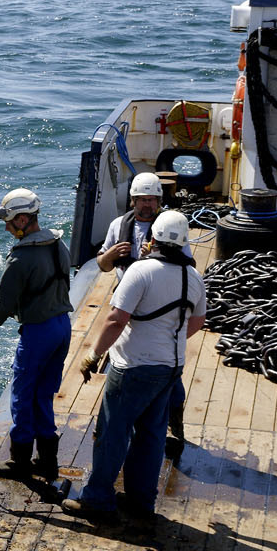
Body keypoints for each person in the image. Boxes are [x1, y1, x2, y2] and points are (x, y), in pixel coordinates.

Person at [62, 210, 206, 526]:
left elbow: (116, 319)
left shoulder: (140, 272)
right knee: (152, 436)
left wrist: (93, 354)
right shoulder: (193, 277)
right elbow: (196, 322)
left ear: (153, 238)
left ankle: (98, 500)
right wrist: (167, 338)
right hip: (170, 368)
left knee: (113, 433)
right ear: (183, 244)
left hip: (132, 367)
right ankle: (142, 501)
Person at [0, 188, 73, 483]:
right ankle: (47, 463)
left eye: (8, 221)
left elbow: (3, 308)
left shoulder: (20, 259)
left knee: (21, 396)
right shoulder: (58, 245)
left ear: (21, 219)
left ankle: (19, 462)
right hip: (62, 326)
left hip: (39, 333)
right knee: (43, 394)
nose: (6, 227)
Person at [98, 171, 188, 459]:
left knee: (168, 368)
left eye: (152, 200)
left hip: (160, 306)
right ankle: (114, 422)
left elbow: (188, 264)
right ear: (133, 200)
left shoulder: (170, 226)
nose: (147, 205)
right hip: (128, 305)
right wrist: (110, 255)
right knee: (122, 362)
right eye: (142, 200)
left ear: (159, 200)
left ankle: (173, 425)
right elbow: (102, 265)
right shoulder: (117, 226)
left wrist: (157, 256)